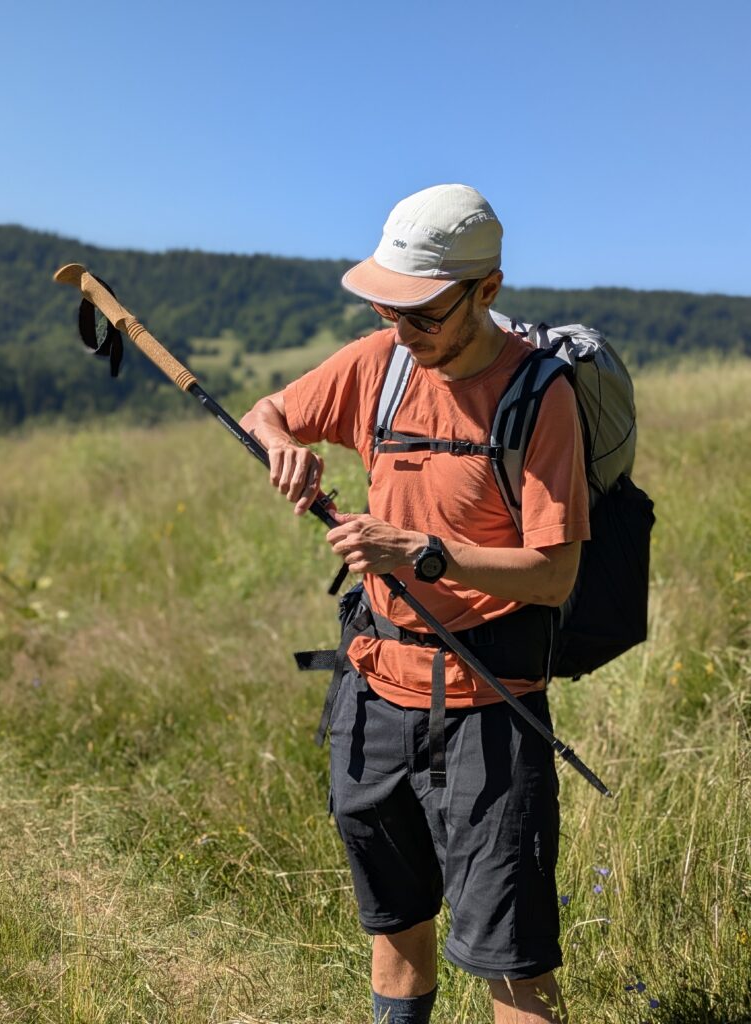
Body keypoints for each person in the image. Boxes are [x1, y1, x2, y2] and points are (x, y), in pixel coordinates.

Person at [241, 184, 590, 1024]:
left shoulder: (539, 397)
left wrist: (420, 552)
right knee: (395, 930)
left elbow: (552, 576)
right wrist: (284, 447)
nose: (401, 331)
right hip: (374, 690)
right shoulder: (380, 363)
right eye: (387, 309)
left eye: (422, 315)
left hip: (487, 707)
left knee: (512, 967)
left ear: (488, 291)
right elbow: (266, 413)